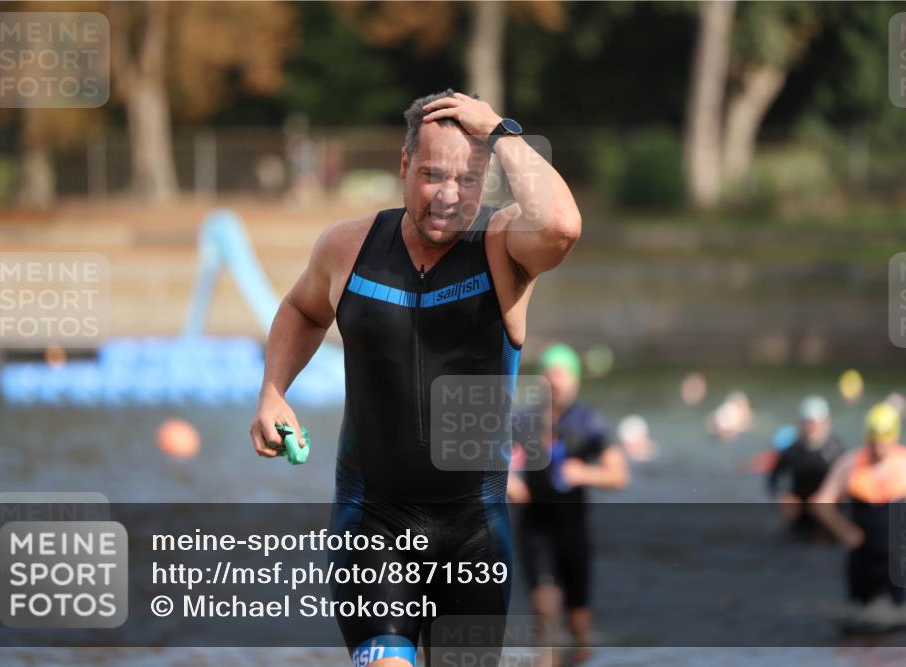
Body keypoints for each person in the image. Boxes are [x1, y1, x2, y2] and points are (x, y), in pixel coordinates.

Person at [249, 90, 581, 667]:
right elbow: (303, 310)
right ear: (403, 167)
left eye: (468, 180)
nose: (450, 198)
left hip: (474, 531)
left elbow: (561, 225)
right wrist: (273, 391)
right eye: (431, 176)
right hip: (373, 523)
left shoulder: (503, 250)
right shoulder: (347, 247)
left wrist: (500, 131)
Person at [508, 343, 628, 666]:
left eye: (562, 374)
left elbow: (619, 476)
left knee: (578, 625)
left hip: (574, 530)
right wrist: (510, 481)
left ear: (575, 380)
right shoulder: (522, 420)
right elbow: (492, 461)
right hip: (535, 526)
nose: (556, 381)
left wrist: (584, 471)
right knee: (546, 613)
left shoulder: (588, 423)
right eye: (551, 373)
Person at [809, 403, 906, 608]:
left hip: (903, 560)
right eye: (874, 441)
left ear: (894, 436)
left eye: (883, 441)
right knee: (861, 619)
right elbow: (821, 503)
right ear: (867, 437)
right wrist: (843, 530)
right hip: (864, 555)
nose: (878, 448)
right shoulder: (849, 464)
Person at [768, 396, 844, 536]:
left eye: (817, 423)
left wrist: (829, 497)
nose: (813, 428)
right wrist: (783, 496)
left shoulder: (836, 452)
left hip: (828, 518)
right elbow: (773, 479)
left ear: (826, 423)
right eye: (808, 423)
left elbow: (848, 484)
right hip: (799, 516)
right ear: (802, 424)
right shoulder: (792, 451)